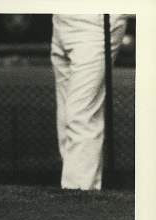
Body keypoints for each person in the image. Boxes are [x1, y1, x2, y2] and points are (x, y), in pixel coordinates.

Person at [51, 14, 129, 190]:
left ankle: (79, 201)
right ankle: (75, 194)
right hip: (61, 21)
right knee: (66, 120)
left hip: (94, 24)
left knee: (80, 116)